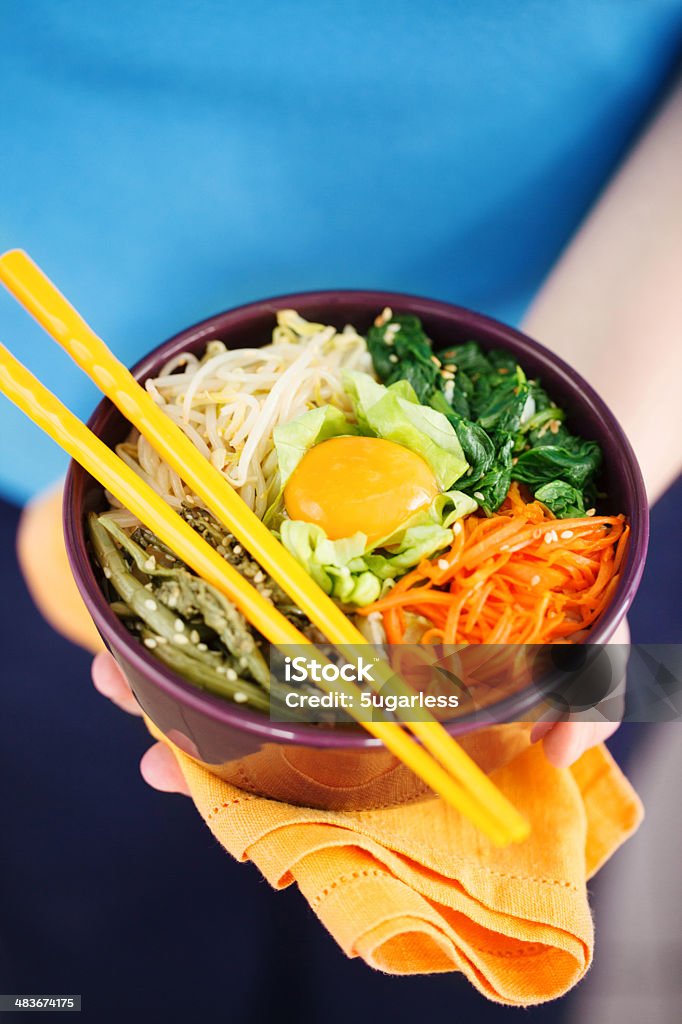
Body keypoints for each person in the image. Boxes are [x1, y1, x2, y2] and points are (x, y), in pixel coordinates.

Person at [2, 5, 682, 1019]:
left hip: (620, 408)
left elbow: (647, 682)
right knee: (91, 943)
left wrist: (607, 419)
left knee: (464, 929)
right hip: (47, 496)